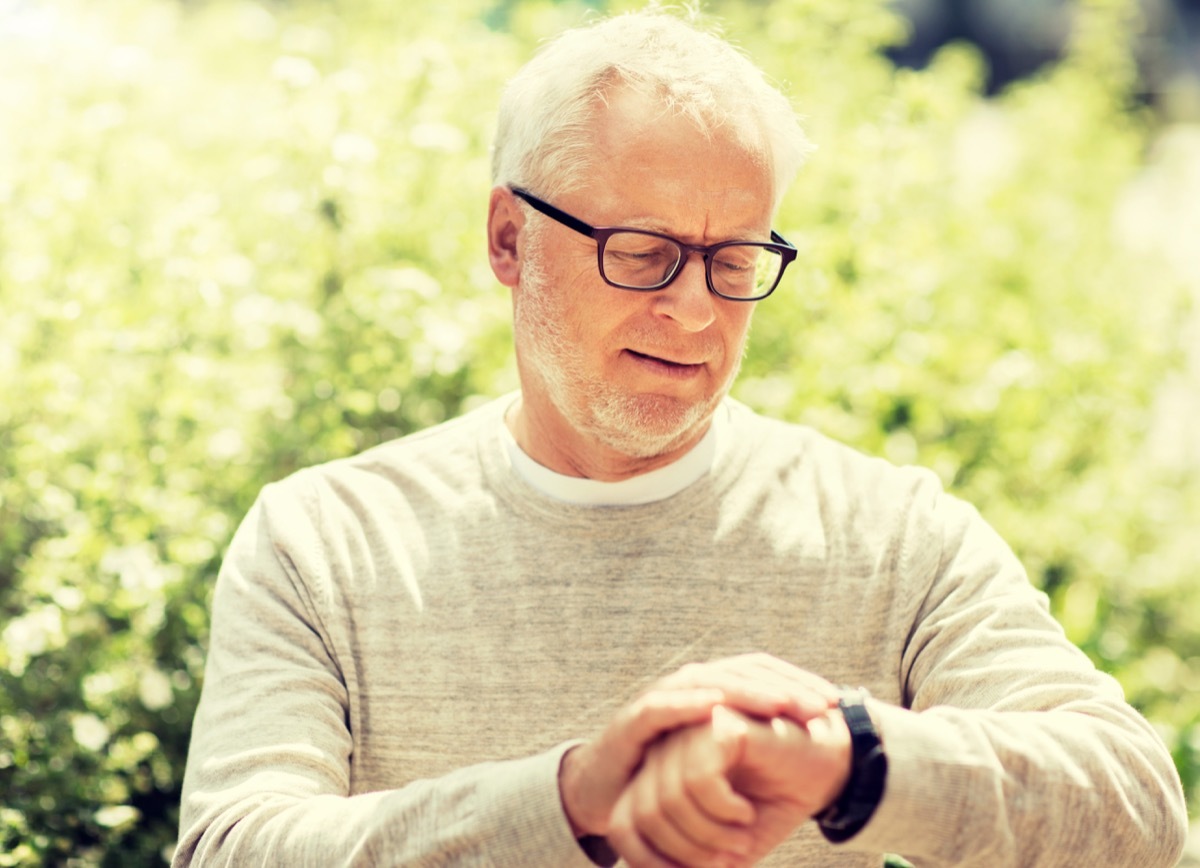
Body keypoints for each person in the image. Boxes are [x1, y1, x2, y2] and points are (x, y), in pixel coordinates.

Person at [174, 9, 1189, 867]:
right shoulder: (326, 540)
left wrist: (849, 759)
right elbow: (233, 846)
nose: (696, 310)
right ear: (509, 239)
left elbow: (1138, 815)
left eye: (735, 260)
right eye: (643, 252)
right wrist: (571, 801)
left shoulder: (891, 536)